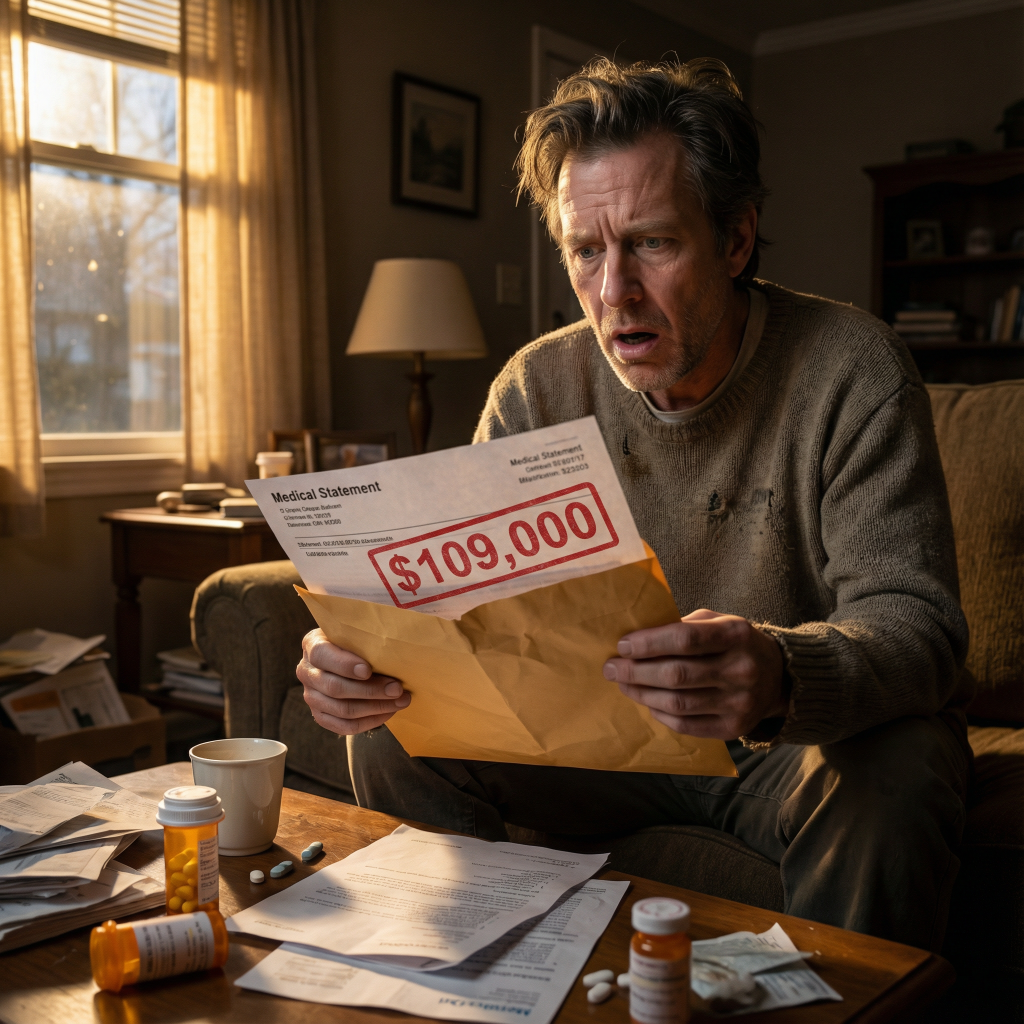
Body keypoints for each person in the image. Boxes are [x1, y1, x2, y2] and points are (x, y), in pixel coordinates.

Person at [297, 58, 972, 951]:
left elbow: (917, 625)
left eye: (652, 242)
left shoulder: (854, 370)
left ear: (735, 240)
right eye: (586, 250)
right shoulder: (538, 384)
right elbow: (459, 612)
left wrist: (778, 672)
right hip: (591, 744)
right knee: (393, 731)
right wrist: (358, 651)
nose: (614, 291)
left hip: (783, 750)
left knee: (905, 764)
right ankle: (463, 978)